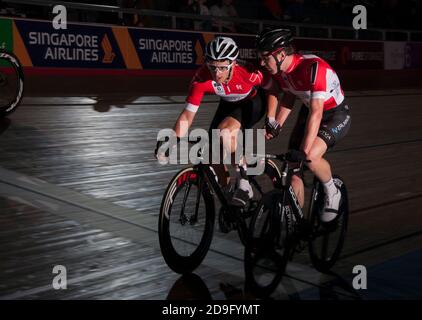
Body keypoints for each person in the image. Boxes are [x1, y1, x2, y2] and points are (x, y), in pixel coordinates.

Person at [155, 37, 268, 207]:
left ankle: (244, 183)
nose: (217, 73)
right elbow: (187, 115)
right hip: (228, 104)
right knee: (210, 157)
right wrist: (171, 141)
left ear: (233, 64)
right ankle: (227, 194)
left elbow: (274, 89)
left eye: (223, 68)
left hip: (252, 102)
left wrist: (273, 118)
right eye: (213, 67)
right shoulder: (201, 78)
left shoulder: (248, 73)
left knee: (225, 133)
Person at [257, 28, 351, 223]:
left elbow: (317, 112)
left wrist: (304, 150)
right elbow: (289, 97)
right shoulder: (282, 71)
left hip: (335, 114)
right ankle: (295, 224)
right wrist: (276, 124)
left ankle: (332, 191)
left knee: (309, 157)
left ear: (281, 54)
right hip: (309, 112)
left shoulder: (313, 67)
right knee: (292, 169)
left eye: (265, 58)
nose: (261, 63)